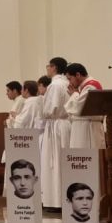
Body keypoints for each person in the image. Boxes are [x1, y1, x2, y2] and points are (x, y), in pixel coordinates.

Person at [41, 57, 71, 209]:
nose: (47, 69)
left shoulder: (55, 85)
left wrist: (43, 114)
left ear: (54, 67)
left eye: (48, 66)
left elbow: (50, 109)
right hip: (66, 125)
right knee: (62, 160)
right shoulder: (67, 83)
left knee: (54, 163)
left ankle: (55, 201)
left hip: (55, 125)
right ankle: (64, 198)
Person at [64, 63, 105, 149]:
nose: (69, 82)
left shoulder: (90, 87)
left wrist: (74, 94)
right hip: (85, 127)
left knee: (86, 159)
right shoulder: (85, 87)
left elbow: (79, 109)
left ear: (78, 75)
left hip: (88, 129)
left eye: (70, 78)